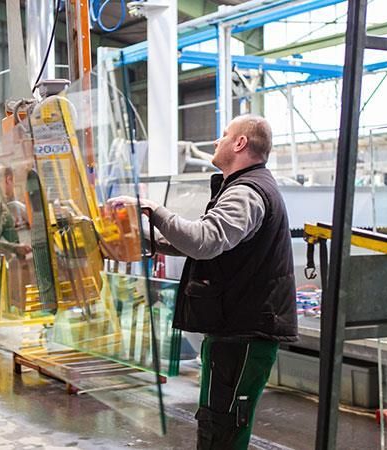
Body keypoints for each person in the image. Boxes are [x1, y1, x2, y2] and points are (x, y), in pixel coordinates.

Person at [110, 114, 297, 449]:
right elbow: (208, 247)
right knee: (217, 423)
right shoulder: (239, 188)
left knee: (223, 429)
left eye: (224, 135)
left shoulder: (248, 192)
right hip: (234, 331)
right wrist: (144, 241)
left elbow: (204, 240)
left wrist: (155, 210)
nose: (216, 141)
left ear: (240, 143)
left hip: (244, 333)